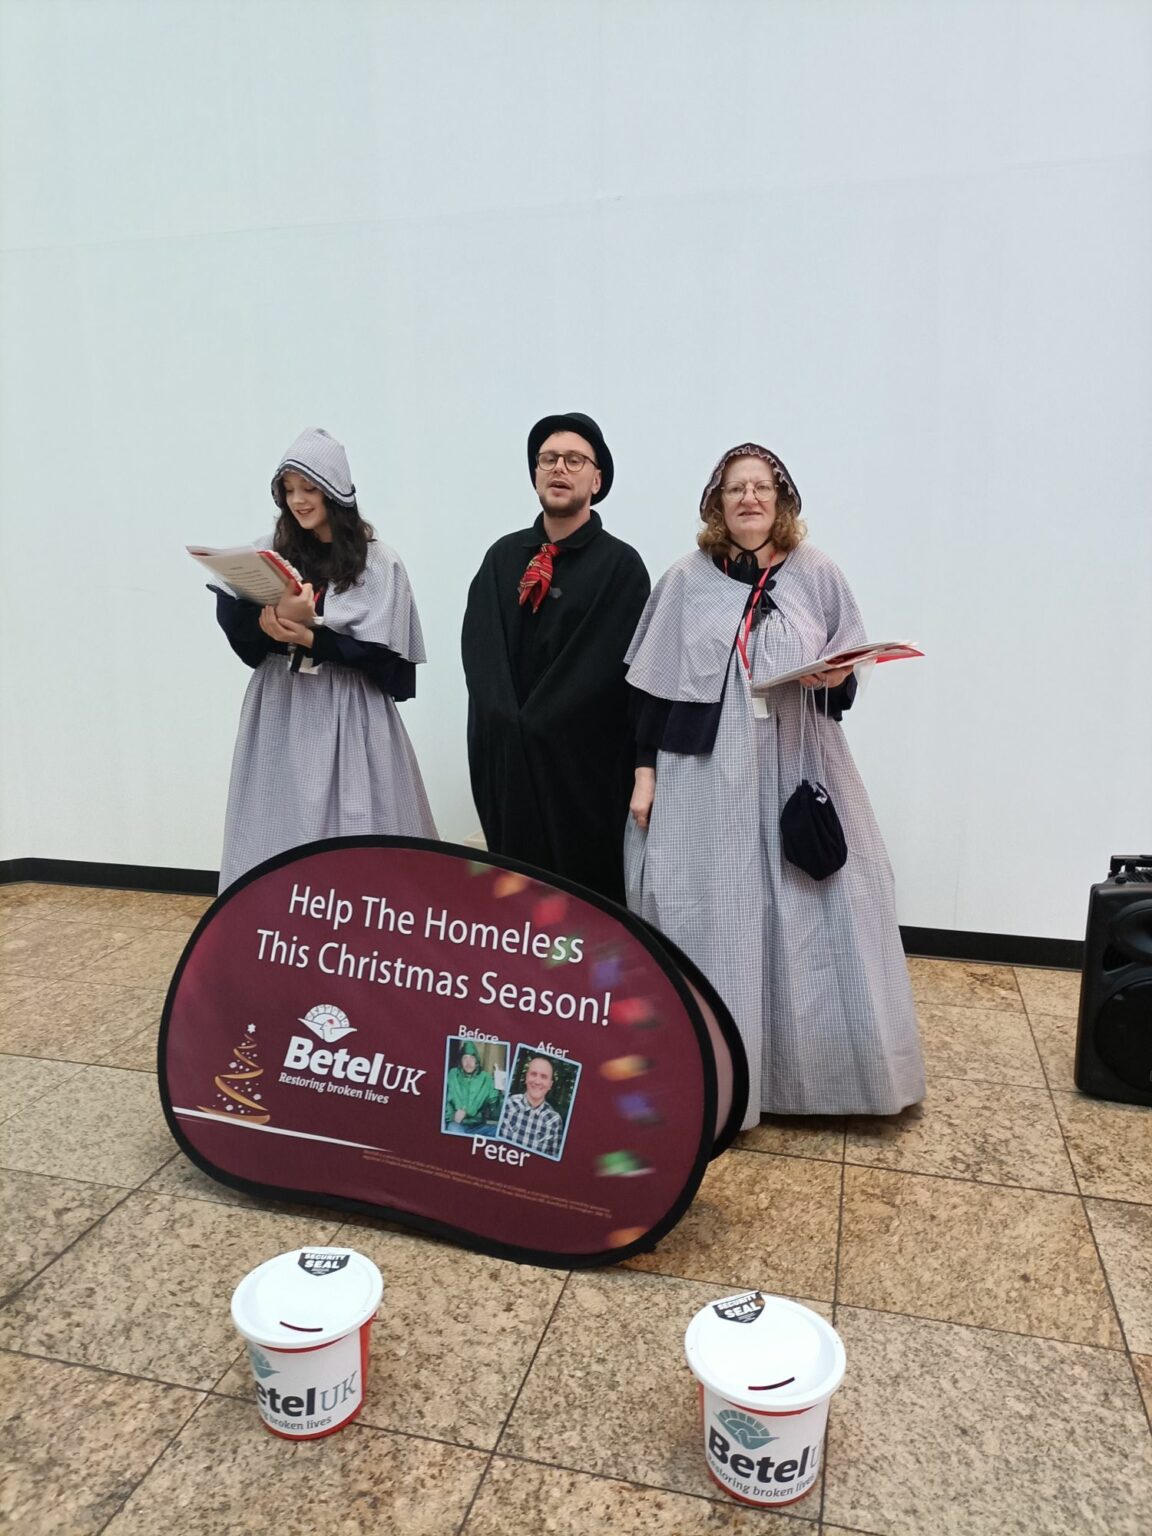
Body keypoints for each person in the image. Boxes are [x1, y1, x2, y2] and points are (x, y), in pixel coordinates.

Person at [624, 442, 925, 1127]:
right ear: (716, 504)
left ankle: (820, 1082)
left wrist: (835, 676)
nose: (749, 499)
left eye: (762, 487)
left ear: (782, 500)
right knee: (715, 911)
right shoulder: (683, 580)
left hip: (796, 759)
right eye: (736, 489)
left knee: (819, 905)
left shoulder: (818, 573)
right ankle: (721, 1078)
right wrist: (645, 775)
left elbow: (845, 681)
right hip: (706, 772)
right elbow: (650, 693)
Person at [213, 427, 436, 889]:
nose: (298, 501)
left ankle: (360, 917)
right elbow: (237, 622)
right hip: (281, 703)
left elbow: (383, 656)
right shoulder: (268, 551)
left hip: (349, 708)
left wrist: (314, 639)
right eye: (289, 490)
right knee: (277, 820)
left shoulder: (377, 563)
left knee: (358, 822)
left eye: (309, 488)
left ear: (335, 490)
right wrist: (269, 625)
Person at [461, 413, 650, 902]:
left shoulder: (621, 567)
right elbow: (481, 651)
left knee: (584, 907)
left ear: (597, 479)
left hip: (582, 772)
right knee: (513, 904)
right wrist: (507, 721)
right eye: (548, 459)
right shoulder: (502, 558)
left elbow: (608, 666)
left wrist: (541, 723)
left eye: (574, 460)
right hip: (507, 762)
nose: (559, 468)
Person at [498, 1055, 564, 1158]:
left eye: (544, 1077)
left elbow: (551, 1162)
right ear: (526, 1077)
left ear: (550, 1085)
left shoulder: (554, 1121)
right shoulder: (507, 1104)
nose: (537, 1081)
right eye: (533, 1074)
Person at [443, 1040, 502, 1135]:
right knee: (454, 1130)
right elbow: (445, 1101)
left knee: (499, 1131)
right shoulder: (452, 1075)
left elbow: (495, 1112)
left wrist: (498, 1088)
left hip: (479, 1126)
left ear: (476, 1061)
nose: (468, 1062)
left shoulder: (486, 1078)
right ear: (461, 1061)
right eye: (465, 1058)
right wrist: (453, 1116)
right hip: (457, 1125)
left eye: (472, 1058)